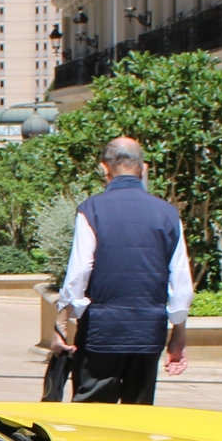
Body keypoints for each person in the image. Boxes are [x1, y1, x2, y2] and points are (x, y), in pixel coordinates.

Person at [54, 135, 194, 405]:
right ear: (142, 169)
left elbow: (79, 274)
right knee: (136, 422)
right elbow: (180, 283)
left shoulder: (90, 210)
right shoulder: (168, 214)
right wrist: (178, 336)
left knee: (92, 420)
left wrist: (62, 325)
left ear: (104, 169)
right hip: (148, 334)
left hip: (99, 332)